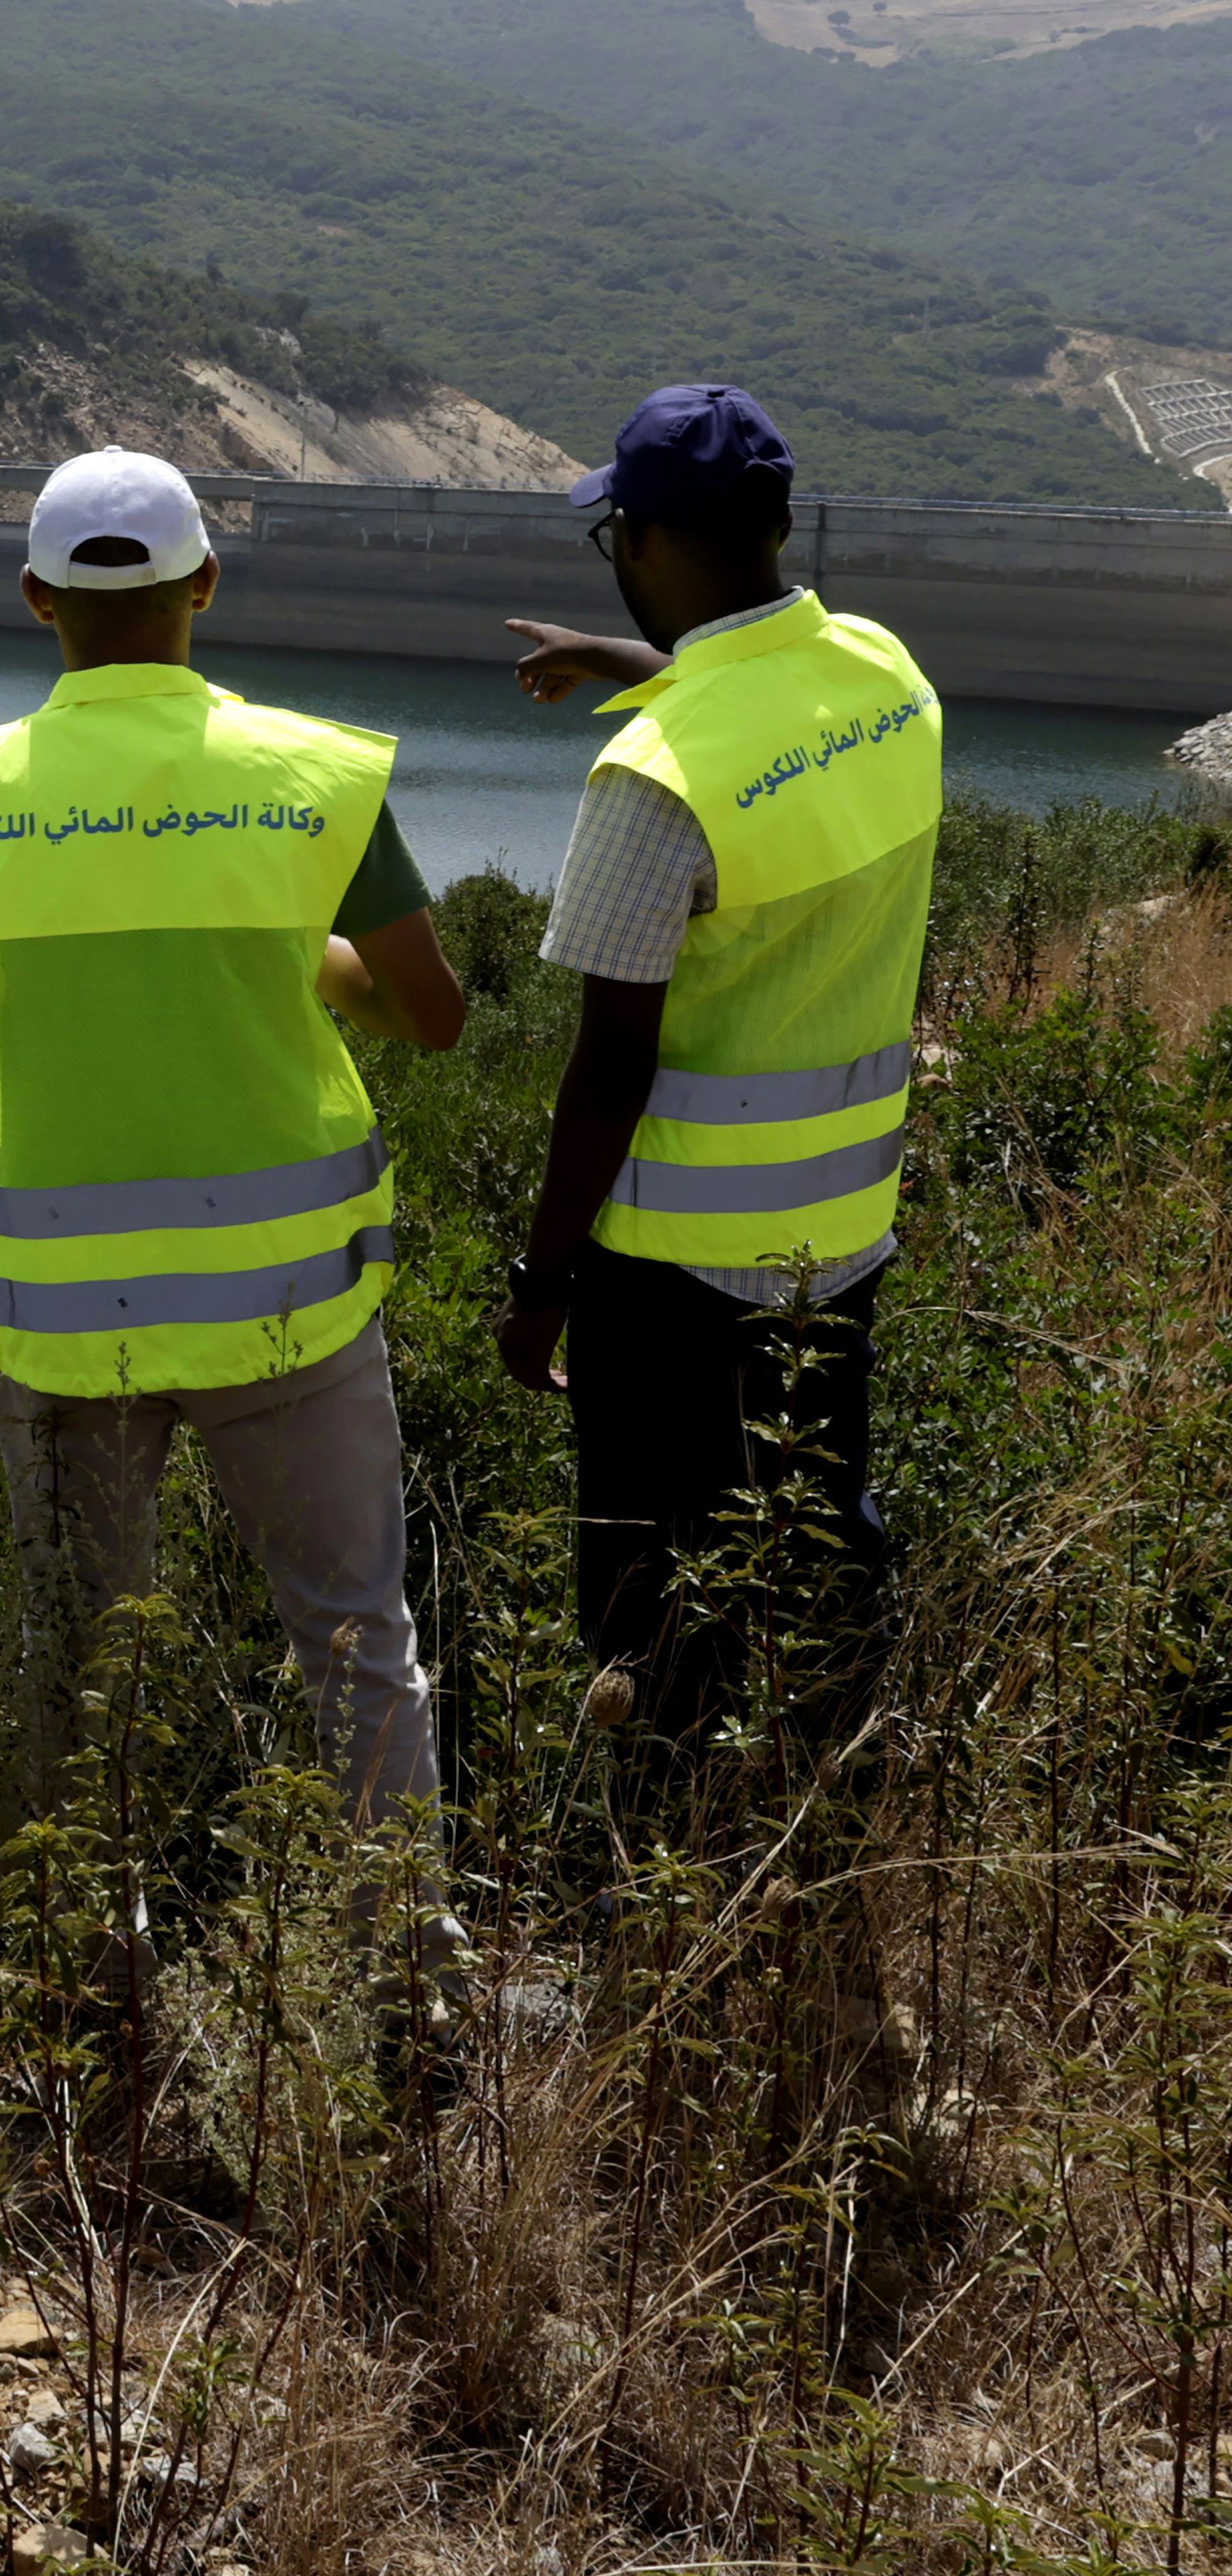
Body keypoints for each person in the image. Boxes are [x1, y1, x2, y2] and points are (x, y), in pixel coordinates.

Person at [0, 448, 468, 1840]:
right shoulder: (315, 775)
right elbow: (431, 1015)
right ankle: (409, 1976)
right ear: (206, 580)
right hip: (291, 1305)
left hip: (65, 1328)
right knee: (356, 1640)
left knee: (82, 1669)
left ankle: (86, 1994)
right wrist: (300, 959)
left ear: (33, 597)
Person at [492, 383, 939, 1805]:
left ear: (652, 542)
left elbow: (608, 1064)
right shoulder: (884, 672)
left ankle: (654, 1842)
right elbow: (763, 698)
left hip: (672, 1266)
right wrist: (626, 656)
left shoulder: (650, 781)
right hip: (843, 1222)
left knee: (646, 1567)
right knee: (818, 1518)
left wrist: (541, 1278)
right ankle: (832, 1791)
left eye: (614, 534)